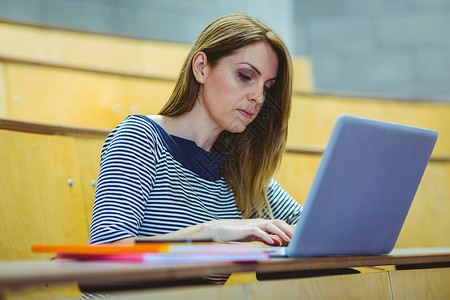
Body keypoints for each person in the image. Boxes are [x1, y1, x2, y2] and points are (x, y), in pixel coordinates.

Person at [89, 13, 302, 247]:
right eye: (245, 76)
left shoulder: (239, 168)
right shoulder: (141, 137)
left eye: (267, 87)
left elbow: (309, 226)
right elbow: (105, 251)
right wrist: (209, 232)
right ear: (201, 68)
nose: (258, 97)